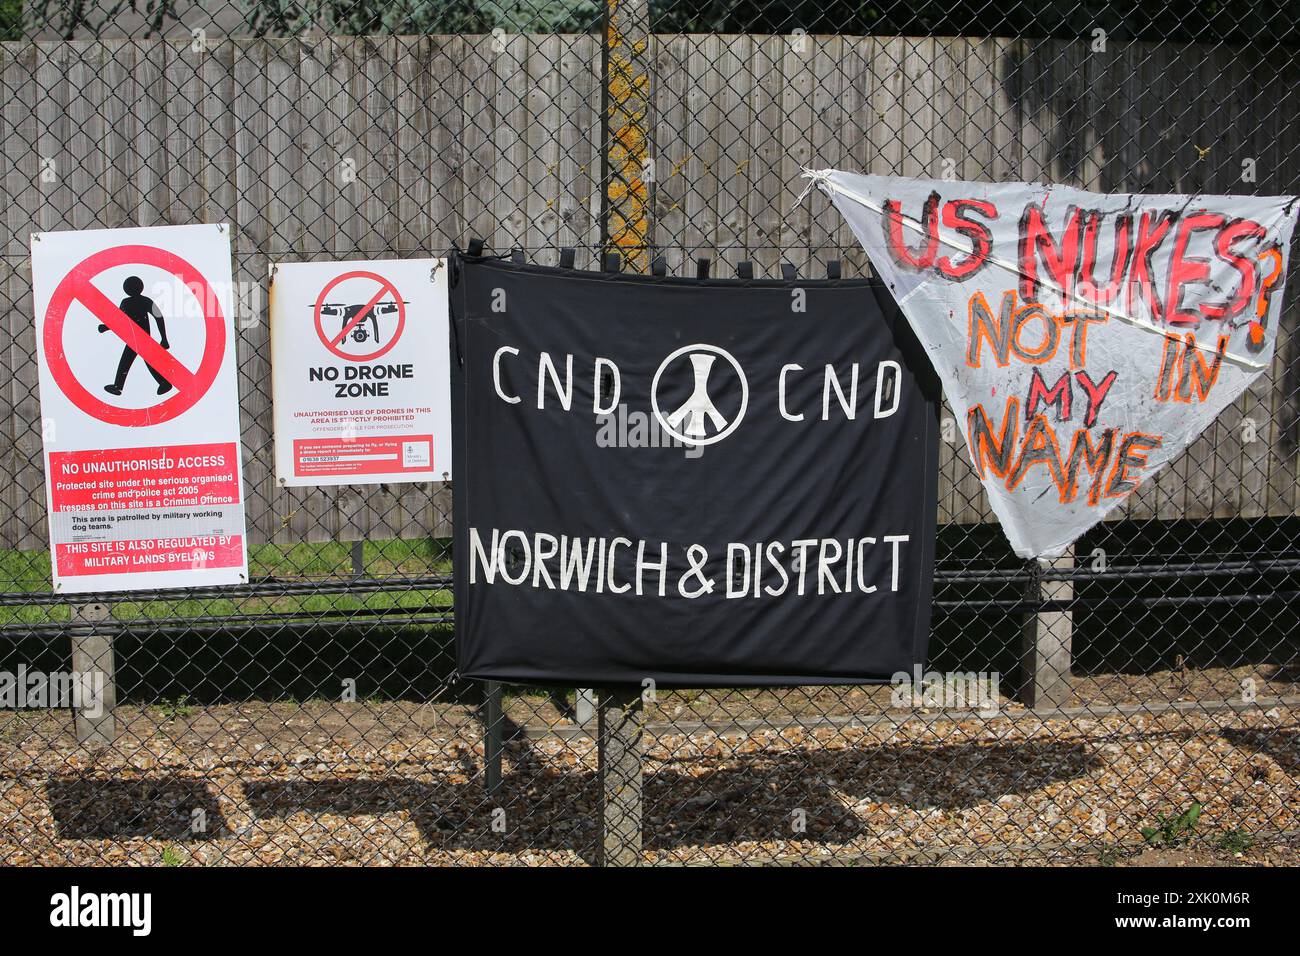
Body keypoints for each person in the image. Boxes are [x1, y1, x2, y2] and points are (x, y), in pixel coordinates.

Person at [101, 276, 172, 395]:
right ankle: (163, 382)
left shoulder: (133, 302)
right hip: (136, 337)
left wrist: (164, 338)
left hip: (140, 337)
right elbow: (119, 320)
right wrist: (106, 327)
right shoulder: (134, 301)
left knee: (128, 360)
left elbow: (158, 317)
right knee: (144, 360)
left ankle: (119, 386)